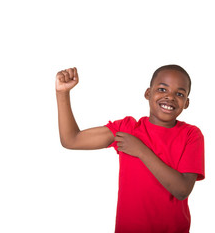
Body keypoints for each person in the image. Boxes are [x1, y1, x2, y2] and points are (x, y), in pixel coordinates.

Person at [55, 65, 205, 233]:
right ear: (148, 93)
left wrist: (141, 150)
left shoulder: (192, 135)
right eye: (162, 89)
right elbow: (71, 140)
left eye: (179, 94)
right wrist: (62, 93)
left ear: (186, 103)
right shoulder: (127, 129)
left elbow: (182, 190)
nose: (170, 97)